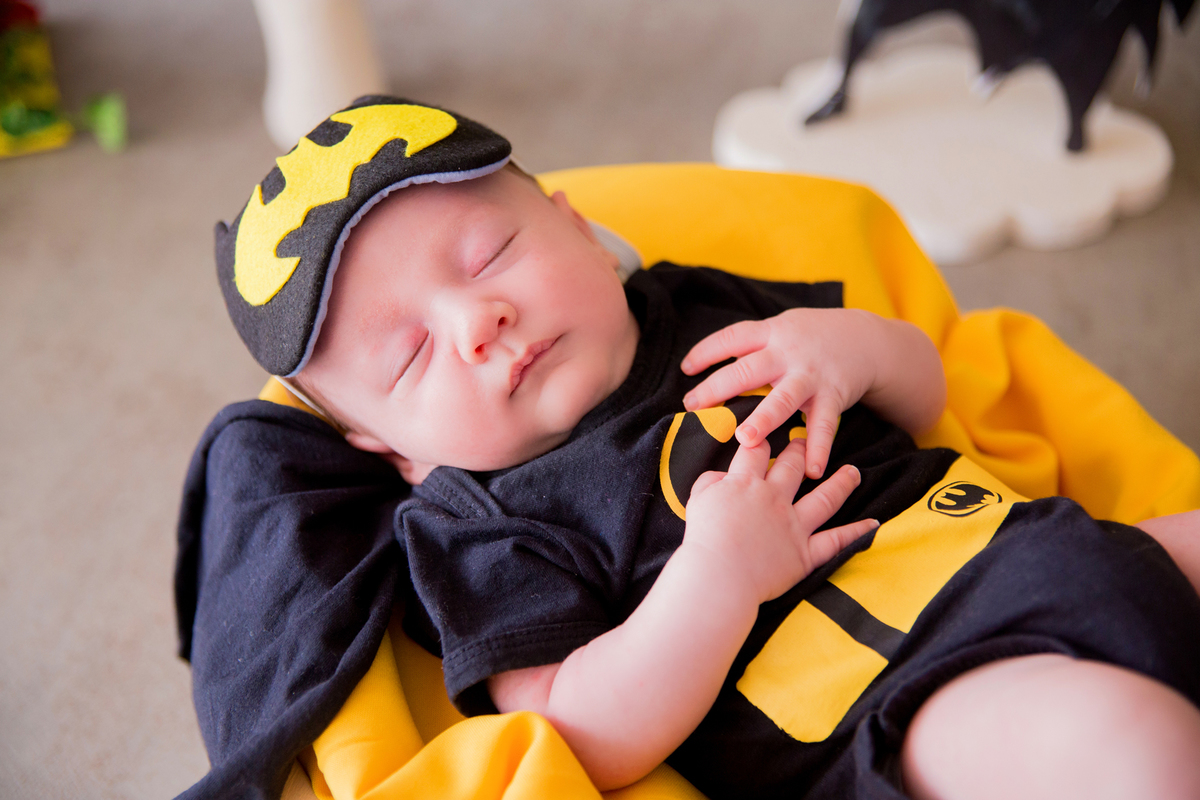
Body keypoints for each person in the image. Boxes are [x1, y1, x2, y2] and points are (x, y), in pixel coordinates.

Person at [207, 96, 1200, 800]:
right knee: (1129, 745)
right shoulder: (477, 523)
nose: (478, 320)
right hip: (893, 697)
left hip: (1021, 544)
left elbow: (929, 391)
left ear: (581, 230)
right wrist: (716, 581)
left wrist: (854, 351)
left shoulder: (697, 305)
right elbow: (575, 734)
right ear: (391, 450)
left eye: (489, 254)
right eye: (413, 353)